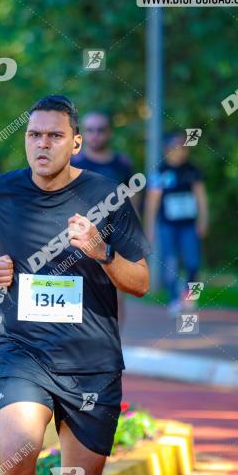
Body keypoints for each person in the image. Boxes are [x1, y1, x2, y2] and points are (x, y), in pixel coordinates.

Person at [0, 95, 150, 475]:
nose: (43, 144)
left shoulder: (105, 195)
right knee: (14, 454)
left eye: (54, 136)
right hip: (23, 349)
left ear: (76, 142)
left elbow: (141, 281)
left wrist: (101, 251)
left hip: (92, 363)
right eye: (34, 135)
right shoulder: (0, 191)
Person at [72, 111, 138, 325]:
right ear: (81, 135)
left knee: (117, 292)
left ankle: (115, 343)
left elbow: (133, 198)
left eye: (101, 130)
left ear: (109, 133)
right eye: (90, 130)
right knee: (80, 290)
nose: (96, 135)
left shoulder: (121, 163)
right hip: (81, 235)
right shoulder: (73, 162)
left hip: (116, 235)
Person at [144, 131, 209, 314]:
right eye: (176, 147)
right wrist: (150, 227)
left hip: (189, 224)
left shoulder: (192, 170)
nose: (180, 151)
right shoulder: (160, 172)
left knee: (193, 262)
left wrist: (203, 220)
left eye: (183, 147)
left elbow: (201, 197)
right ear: (167, 149)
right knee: (170, 262)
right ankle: (174, 299)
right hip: (167, 225)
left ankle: (190, 296)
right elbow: (152, 202)